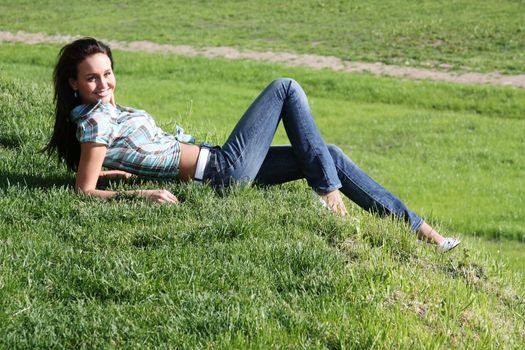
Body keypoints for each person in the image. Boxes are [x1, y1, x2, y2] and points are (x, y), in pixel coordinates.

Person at [45, 37, 460, 252]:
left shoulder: (97, 116)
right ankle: (329, 195)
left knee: (327, 153)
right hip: (221, 168)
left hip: (217, 167)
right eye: (91, 78)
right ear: (74, 84)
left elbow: (100, 165)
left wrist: (120, 170)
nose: (103, 84)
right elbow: (84, 190)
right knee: (286, 87)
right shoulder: (97, 120)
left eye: (107, 73)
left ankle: (428, 235)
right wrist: (143, 194)